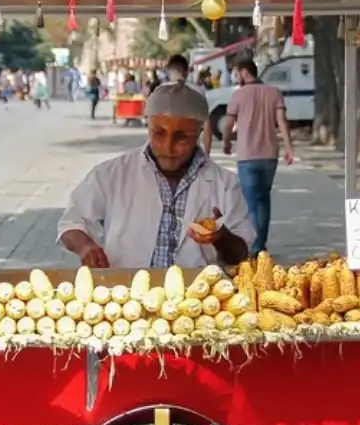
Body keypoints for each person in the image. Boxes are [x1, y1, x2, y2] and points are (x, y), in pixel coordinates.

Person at [58, 82, 255, 269]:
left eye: (182, 137)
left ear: (199, 133)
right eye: (159, 133)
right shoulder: (111, 174)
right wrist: (84, 246)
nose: (168, 147)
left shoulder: (225, 184)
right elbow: (72, 223)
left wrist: (221, 236)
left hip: (194, 298)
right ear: (148, 126)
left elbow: (241, 254)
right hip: (127, 295)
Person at [214, 59, 294, 254]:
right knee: (263, 200)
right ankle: (261, 244)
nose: (235, 77)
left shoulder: (239, 95)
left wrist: (226, 142)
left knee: (251, 202)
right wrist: (289, 148)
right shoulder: (273, 92)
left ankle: (254, 247)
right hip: (269, 155)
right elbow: (282, 122)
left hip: (247, 156)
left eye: (236, 73)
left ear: (243, 72)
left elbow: (227, 123)